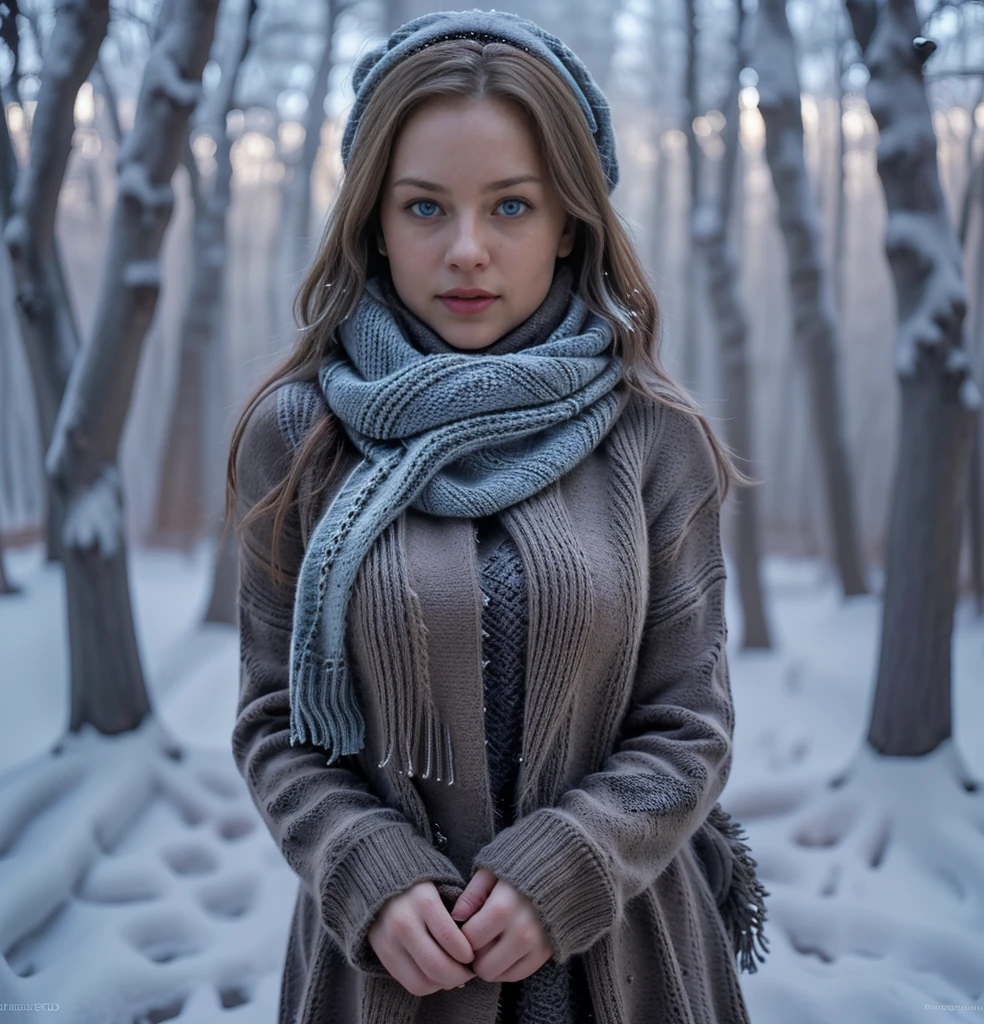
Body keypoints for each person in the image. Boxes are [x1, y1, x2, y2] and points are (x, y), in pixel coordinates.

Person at [224, 9, 769, 1024]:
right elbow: (272, 722)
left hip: (629, 961)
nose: (467, 250)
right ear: (374, 223)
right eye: (424, 208)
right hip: (388, 976)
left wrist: (571, 861)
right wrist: (364, 866)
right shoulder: (298, 437)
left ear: (570, 219)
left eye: (510, 206)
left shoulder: (655, 440)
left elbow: (688, 725)